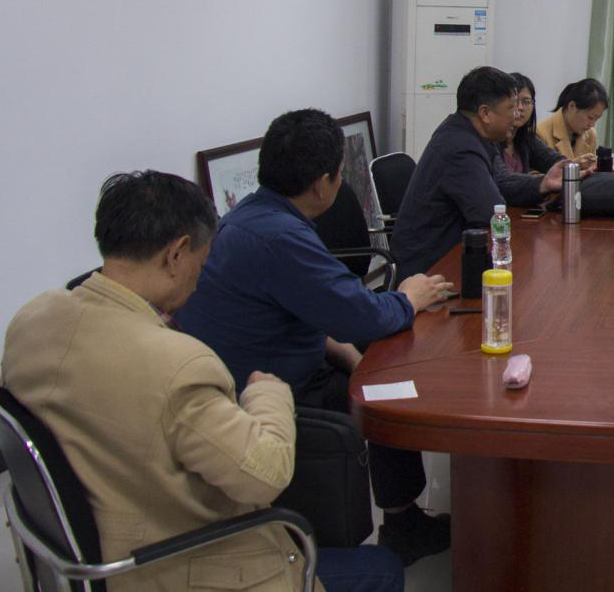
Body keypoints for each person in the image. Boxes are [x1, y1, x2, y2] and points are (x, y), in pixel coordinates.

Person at [1, 171, 404, 591]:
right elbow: (265, 474)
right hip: (164, 567)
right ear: (176, 254)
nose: (201, 275)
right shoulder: (177, 364)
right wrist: (268, 392)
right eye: (203, 259)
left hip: (93, 547)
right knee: (383, 568)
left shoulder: (32, 322)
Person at [177, 109, 453, 566]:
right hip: (268, 390)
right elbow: (364, 316)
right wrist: (410, 297)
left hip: (258, 362)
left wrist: (346, 354)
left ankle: (403, 516)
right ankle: (401, 526)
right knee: (391, 387)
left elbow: (301, 310)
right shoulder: (280, 238)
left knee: (372, 366)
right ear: (323, 184)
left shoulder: (250, 216)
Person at [393, 66, 569, 282]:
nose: (517, 115)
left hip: (448, 254)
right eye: (511, 108)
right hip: (431, 268)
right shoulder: (461, 148)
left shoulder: (469, 134)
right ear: (485, 113)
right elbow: (490, 213)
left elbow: (501, 182)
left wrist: (543, 184)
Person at [497, 72, 565, 177]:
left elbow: (551, 159)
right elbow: (502, 180)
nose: (520, 107)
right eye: (515, 101)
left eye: (526, 102)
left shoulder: (527, 138)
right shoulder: (491, 140)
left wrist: (573, 164)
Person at [538, 78, 609, 161]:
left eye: (597, 119)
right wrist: (575, 165)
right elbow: (536, 170)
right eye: (590, 117)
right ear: (572, 106)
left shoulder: (590, 134)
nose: (592, 125)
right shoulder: (540, 133)